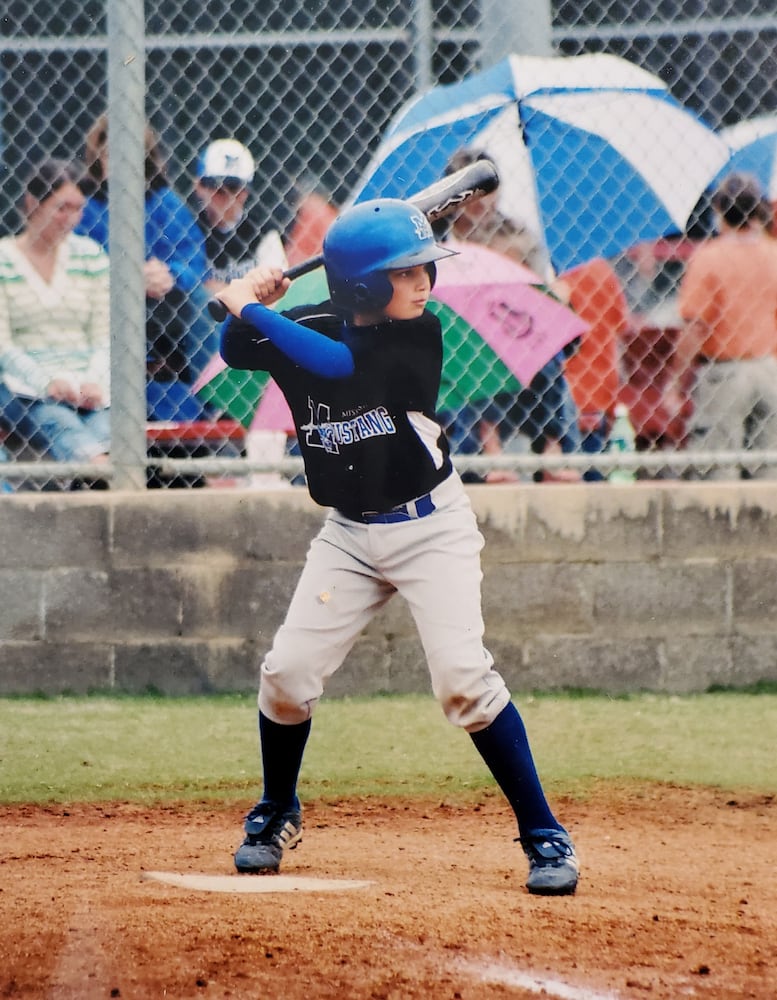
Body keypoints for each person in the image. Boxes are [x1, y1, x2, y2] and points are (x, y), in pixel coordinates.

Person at [215, 198, 579, 895]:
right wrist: (252, 303)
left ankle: (543, 833)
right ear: (358, 286)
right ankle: (274, 811)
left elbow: (336, 369)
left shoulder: (418, 339)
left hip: (429, 528)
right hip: (348, 535)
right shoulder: (306, 326)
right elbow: (236, 351)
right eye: (404, 272)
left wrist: (250, 309)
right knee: (286, 676)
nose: (422, 283)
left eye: (422, 270)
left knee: (463, 684)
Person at [76, 113, 215, 414]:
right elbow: (71, 265)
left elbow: (192, 261)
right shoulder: (84, 208)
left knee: (203, 302)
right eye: (112, 154)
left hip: (157, 308)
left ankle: (217, 402)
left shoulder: (166, 203)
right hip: (101, 305)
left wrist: (170, 274)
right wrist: (124, 279)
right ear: (98, 158)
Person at [0, 159, 110, 474]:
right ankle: (100, 473)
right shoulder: (4, 258)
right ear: (33, 203)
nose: (71, 219)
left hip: (89, 387)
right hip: (26, 388)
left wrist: (93, 380)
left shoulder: (91, 256)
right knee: (56, 419)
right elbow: (4, 346)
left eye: (78, 209)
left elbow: (104, 336)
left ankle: (93, 478)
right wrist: (47, 382)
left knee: (106, 422)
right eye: (62, 208)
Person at [668, 172, 777, 479]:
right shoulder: (773, 253)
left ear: (719, 212)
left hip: (724, 371)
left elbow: (695, 327)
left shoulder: (709, 258)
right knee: (769, 471)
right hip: (769, 368)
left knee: (718, 470)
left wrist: (678, 383)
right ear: (758, 211)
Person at [560, 257, 632, 480]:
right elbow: (619, 326)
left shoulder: (557, 278)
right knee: (594, 475)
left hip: (566, 392)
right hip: (599, 389)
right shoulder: (600, 269)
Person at [194, 138, 288, 294]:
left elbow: (277, 291)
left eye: (234, 188)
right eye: (217, 188)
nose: (228, 198)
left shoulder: (263, 231)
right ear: (199, 187)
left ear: (246, 192)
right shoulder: (190, 228)